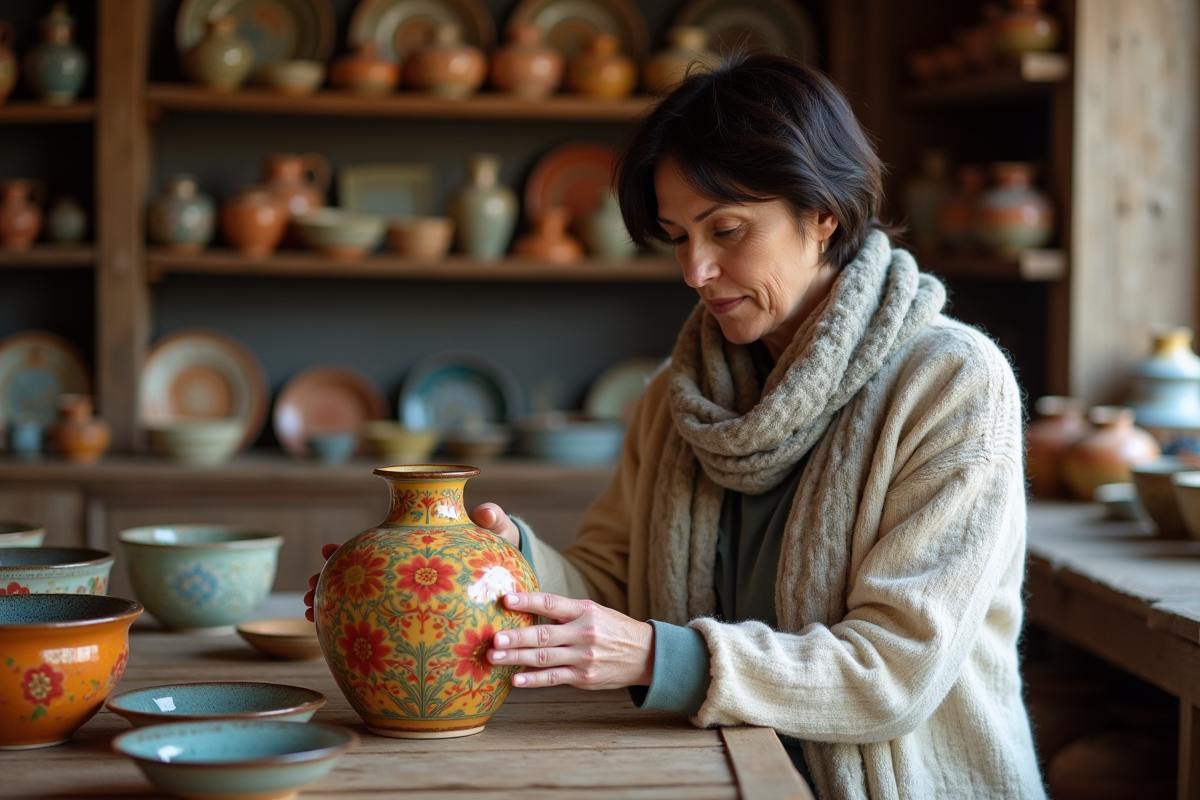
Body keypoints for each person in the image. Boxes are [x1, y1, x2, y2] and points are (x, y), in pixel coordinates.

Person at [307, 52, 1046, 800]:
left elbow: (894, 675)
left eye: (726, 230)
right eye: (677, 236)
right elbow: (613, 585)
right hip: (717, 774)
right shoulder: (677, 395)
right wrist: (506, 565)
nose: (695, 271)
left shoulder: (951, 383)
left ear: (823, 215)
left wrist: (662, 659)